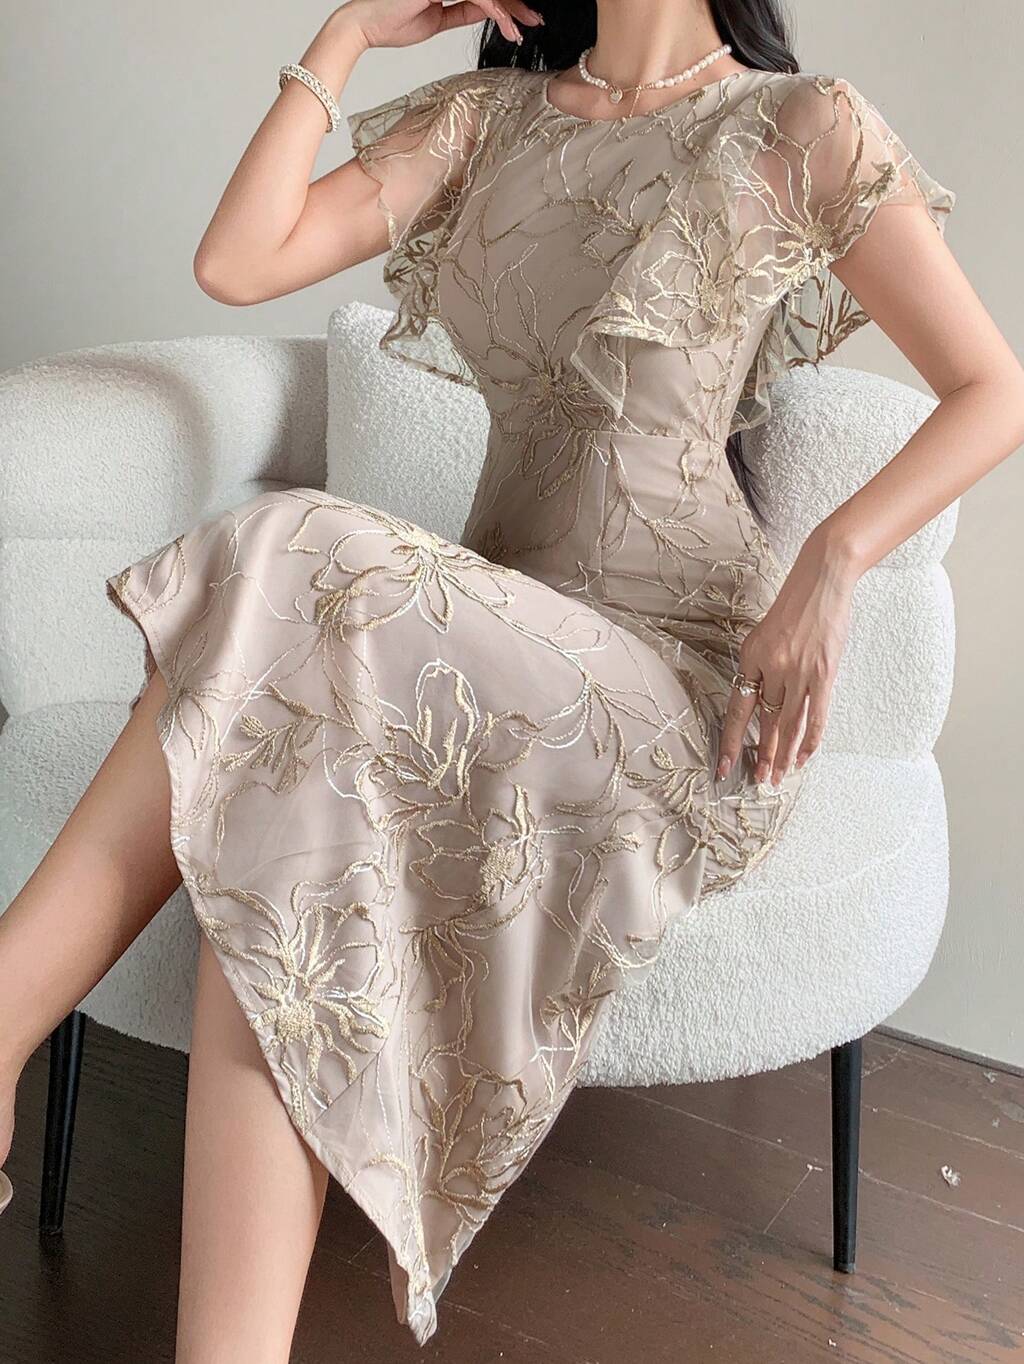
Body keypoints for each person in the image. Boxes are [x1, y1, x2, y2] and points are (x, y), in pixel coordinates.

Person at [2, 0, 1022, 1356]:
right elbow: (238, 261)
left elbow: (994, 389)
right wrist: (351, 31)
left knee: (294, 552)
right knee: (295, 817)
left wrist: (831, 561)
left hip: (671, 694)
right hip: (479, 662)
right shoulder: (486, 122)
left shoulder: (795, 123)